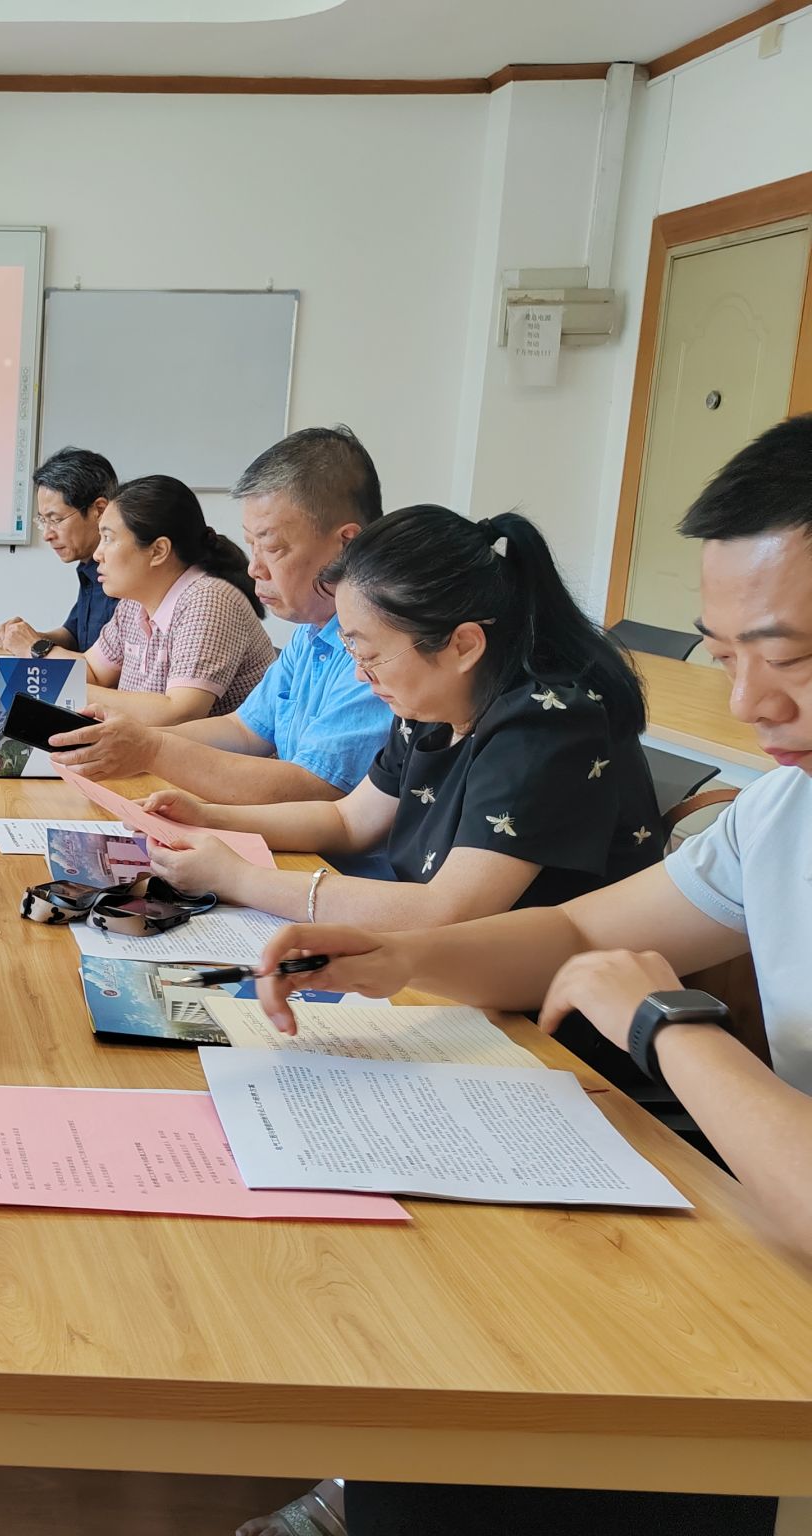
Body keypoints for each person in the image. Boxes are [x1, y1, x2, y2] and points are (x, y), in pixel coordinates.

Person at [238, 419, 812, 1536]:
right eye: (723, 655)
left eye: (785, 658)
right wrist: (401, 957)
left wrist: (668, 1025)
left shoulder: (550, 723)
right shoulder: (781, 809)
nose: (749, 703)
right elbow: (573, 931)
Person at [142, 506, 661, 928]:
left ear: (463, 645)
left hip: (546, 1005)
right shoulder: (435, 702)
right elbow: (349, 821)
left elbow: (446, 912)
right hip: (442, 965)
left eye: (369, 653)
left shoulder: (543, 725)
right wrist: (209, 818)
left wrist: (239, 878)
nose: (360, 673)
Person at [49, 426, 391, 807]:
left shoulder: (378, 648)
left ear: (345, 544)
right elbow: (243, 729)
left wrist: (150, 750)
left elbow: (315, 788)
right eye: (251, 545)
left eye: (272, 547)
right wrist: (134, 741)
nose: (254, 568)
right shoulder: (310, 633)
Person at [81, 474, 275, 724]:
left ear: (158, 551)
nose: (97, 554)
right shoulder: (133, 604)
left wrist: (68, 690)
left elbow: (179, 712)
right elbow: (94, 671)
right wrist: (34, 671)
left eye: (108, 538)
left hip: (209, 750)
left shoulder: (209, 600)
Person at [0, 446, 119, 659]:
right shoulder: (88, 567)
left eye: (56, 519)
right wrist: (28, 638)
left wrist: (34, 646)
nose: (47, 535)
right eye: (43, 520)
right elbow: (73, 636)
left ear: (99, 510)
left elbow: (100, 668)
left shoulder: (122, 576)